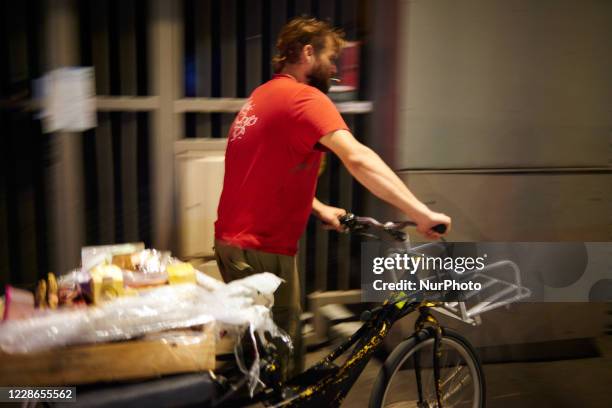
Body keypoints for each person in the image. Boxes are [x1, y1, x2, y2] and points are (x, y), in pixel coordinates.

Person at [214, 17, 451, 379]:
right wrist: (420, 213)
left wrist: (320, 207)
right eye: (331, 56)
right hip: (264, 248)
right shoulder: (306, 97)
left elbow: (263, 174)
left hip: (232, 244)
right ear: (308, 53)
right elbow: (358, 158)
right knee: (285, 367)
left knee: (258, 356)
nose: (336, 66)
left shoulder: (261, 97)